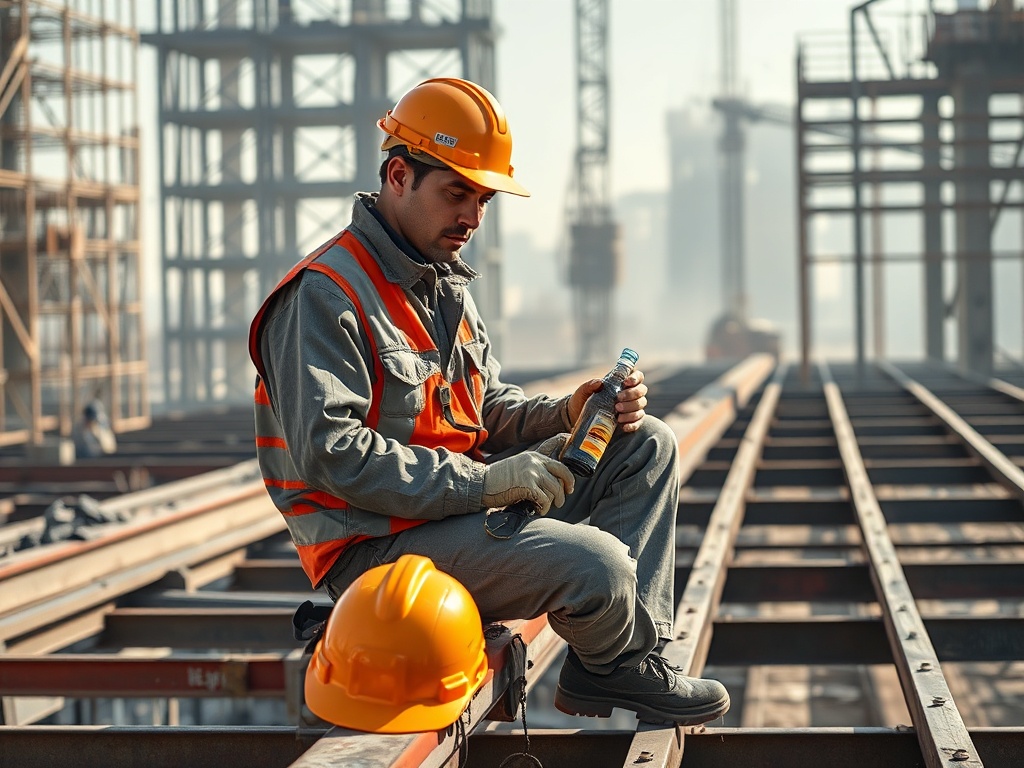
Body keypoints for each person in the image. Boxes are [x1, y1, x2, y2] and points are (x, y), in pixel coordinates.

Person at [248, 77, 730, 726]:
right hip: (377, 546)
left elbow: (483, 410)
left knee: (646, 445)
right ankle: (615, 650)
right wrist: (484, 484)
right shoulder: (326, 293)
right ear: (398, 176)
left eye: (482, 200)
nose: (473, 218)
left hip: (456, 511)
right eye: (457, 195)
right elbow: (334, 456)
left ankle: (613, 664)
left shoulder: (443, 284)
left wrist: (567, 412)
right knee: (601, 568)